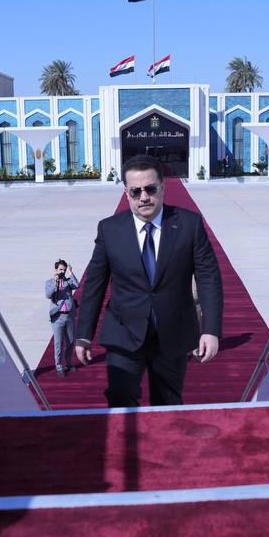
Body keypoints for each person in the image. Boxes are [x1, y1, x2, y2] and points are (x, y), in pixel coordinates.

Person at [74, 155, 223, 406]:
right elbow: (94, 285)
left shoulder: (189, 224)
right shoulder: (109, 229)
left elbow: (209, 278)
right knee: (120, 398)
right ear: (126, 193)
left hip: (172, 333)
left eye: (150, 189)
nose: (143, 197)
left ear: (163, 188)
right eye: (135, 191)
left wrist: (211, 330)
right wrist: (84, 334)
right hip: (124, 331)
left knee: (167, 404)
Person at [45, 258, 79, 377]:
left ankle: (68, 363)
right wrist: (55, 283)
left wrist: (71, 272)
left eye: (64, 270)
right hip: (57, 318)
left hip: (69, 316)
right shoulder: (49, 282)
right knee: (58, 344)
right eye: (60, 269)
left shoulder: (68, 281)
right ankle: (59, 366)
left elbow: (76, 285)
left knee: (70, 342)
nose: (62, 272)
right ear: (55, 269)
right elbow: (48, 294)